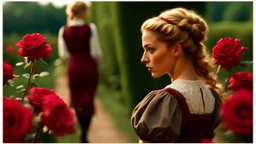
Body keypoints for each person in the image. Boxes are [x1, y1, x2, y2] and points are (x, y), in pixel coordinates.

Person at [131, 7, 223, 143]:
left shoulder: (168, 100)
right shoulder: (211, 97)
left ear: (176, 49)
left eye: (150, 49)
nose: (143, 58)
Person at [58, 1, 103, 143]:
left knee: (76, 99)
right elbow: (96, 53)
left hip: (73, 67)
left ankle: (82, 134)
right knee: (88, 99)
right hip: (88, 66)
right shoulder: (90, 28)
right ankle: (84, 133)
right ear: (83, 11)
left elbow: (64, 55)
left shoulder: (63, 30)